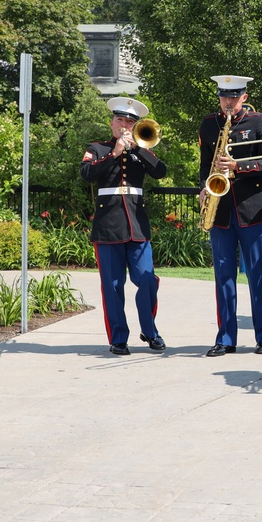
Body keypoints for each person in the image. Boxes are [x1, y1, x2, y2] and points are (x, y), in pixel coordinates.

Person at [80, 97, 168, 355]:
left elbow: (160, 172)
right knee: (113, 285)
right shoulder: (97, 148)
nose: (125, 125)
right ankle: (118, 338)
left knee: (147, 279)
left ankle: (149, 330)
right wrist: (115, 153)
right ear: (112, 123)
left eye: (130, 122)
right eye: (121, 120)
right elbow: (86, 174)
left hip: (137, 226)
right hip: (108, 226)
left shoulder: (142, 150)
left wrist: (137, 148)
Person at [199, 75, 262, 357]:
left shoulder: (258, 121)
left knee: (257, 275)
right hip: (221, 212)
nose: (228, 102)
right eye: (224, 96)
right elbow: (205, 164)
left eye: (234, 96)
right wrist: (203, 189)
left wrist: (237, 166)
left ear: (244, 96)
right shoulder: (209, 124)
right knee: (223, 277)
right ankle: (225, 338)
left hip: (251, 210)